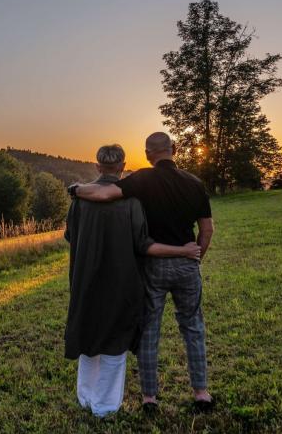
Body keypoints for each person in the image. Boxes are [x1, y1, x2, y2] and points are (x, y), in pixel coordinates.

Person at [70, 132, 215, 413]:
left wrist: (75, 189)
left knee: (149, 331)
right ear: (173, 149)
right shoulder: (195, 183)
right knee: (193, 328)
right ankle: (201, 392)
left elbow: (103, 193)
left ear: (148, 154)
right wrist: (195, 256)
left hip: (154, 265)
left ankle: (150, 398)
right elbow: (207, 229)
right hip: (187, 264)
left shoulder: (142, 180)